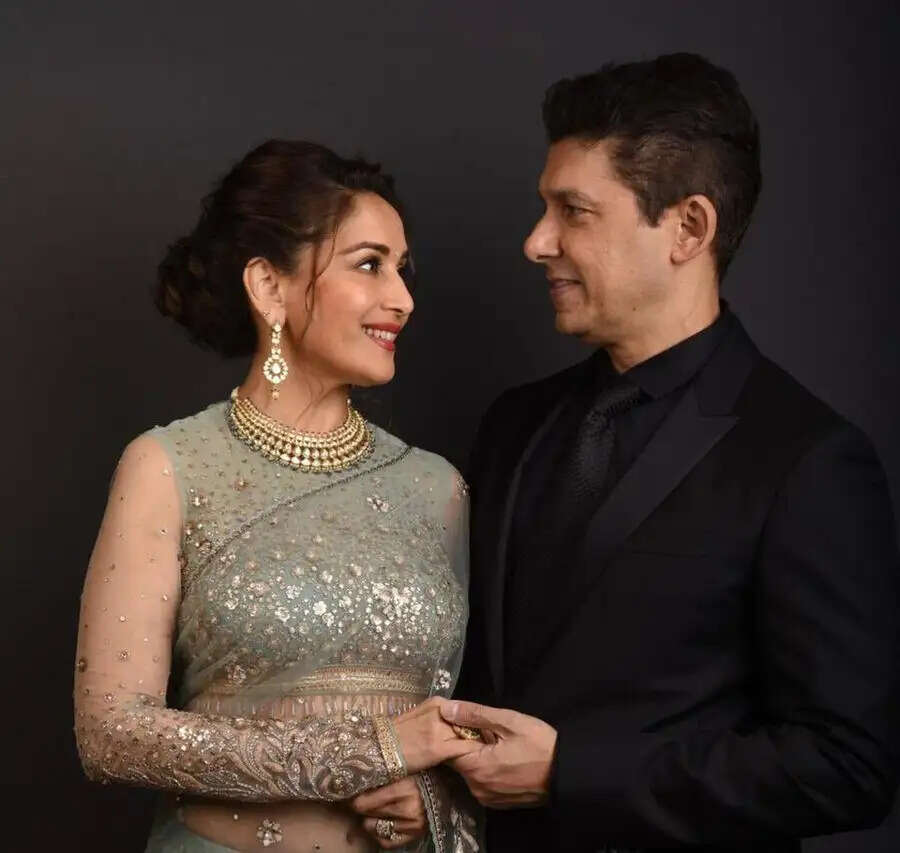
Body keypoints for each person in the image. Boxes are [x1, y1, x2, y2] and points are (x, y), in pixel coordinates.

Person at [443, 53, 900, 851]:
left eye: (573, 211)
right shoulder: (514, 424)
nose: (536, 241)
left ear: (689, 228)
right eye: (543, 208)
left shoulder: (808, 459)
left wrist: (571, 772)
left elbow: (848, 765)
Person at [73, 140, 484, 852]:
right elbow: (110, 733)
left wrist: (434, 800)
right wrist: (370, 750)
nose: (403, 299)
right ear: (268, 286)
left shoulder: (436, 487)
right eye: (369, 264)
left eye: (402, 269)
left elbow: (456, 729)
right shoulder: (170, 467)